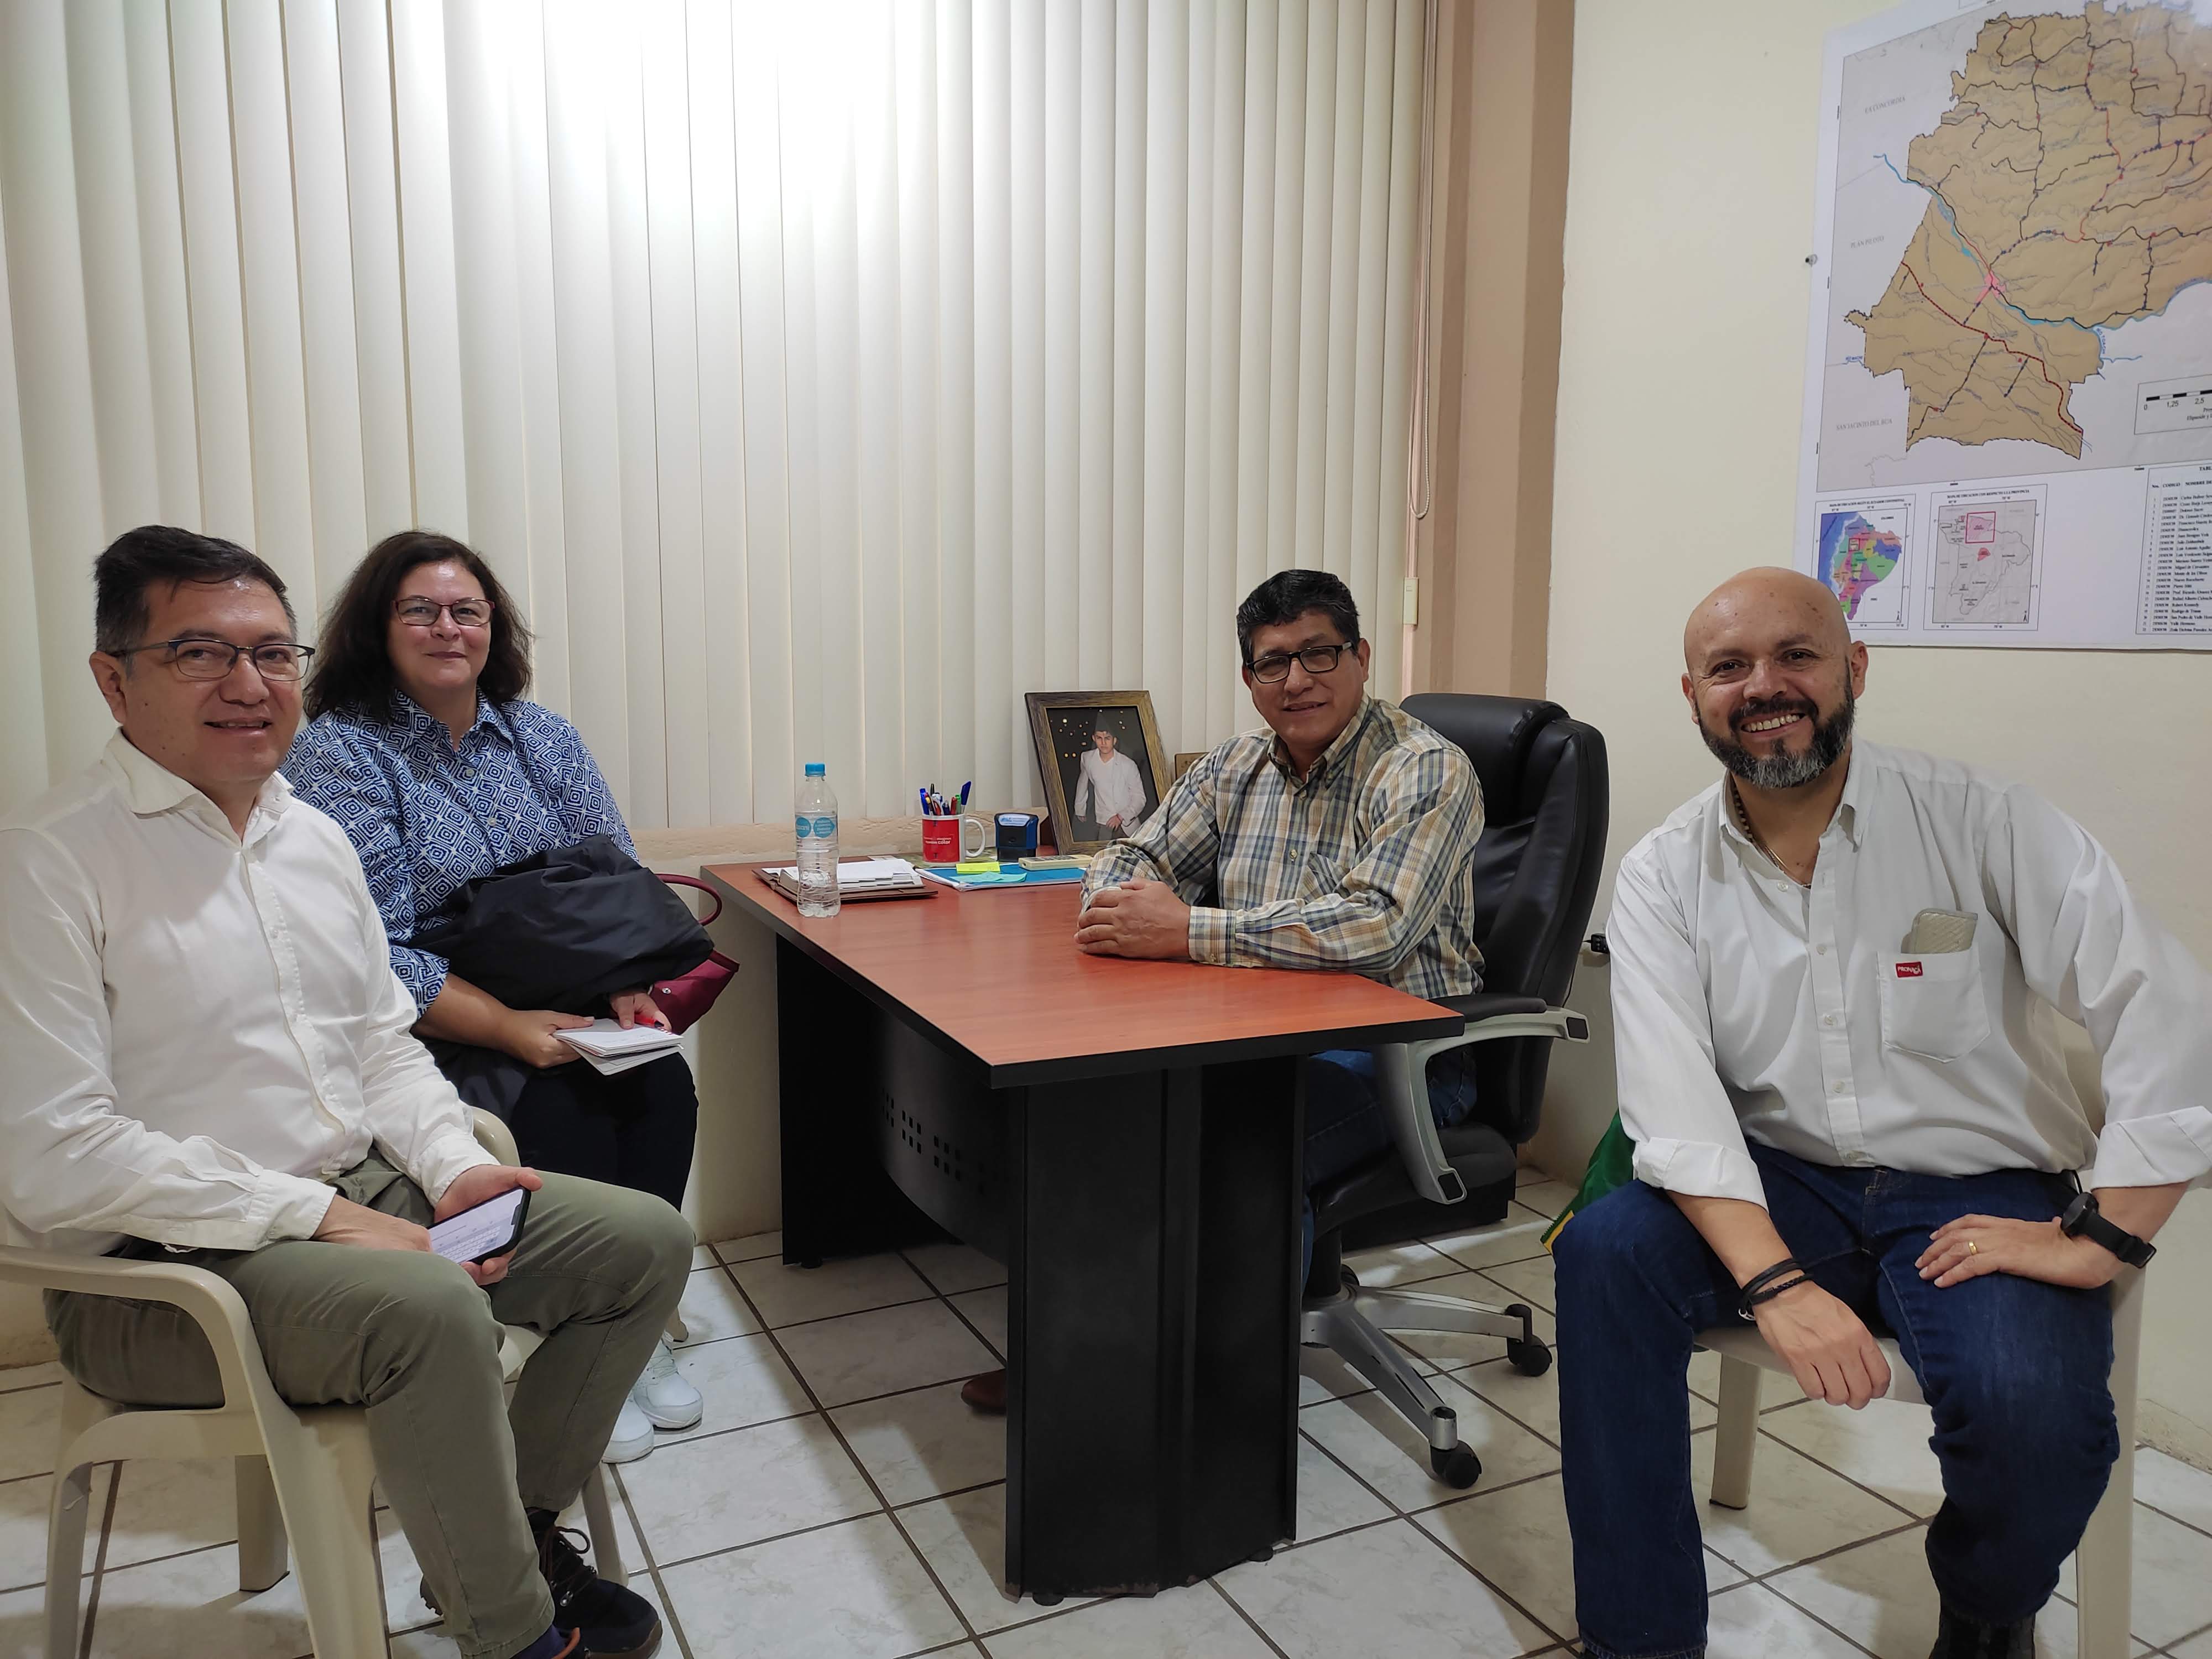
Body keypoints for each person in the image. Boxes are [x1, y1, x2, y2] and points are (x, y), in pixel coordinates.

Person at [0, 526, 689, 1659]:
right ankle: (514, 1635)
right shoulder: (49, 859)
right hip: (158, 1271)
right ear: (113, 681)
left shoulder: (308, 838)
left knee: (643, 1245)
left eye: (273, 653)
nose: (248, 685)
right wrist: (322, 1216)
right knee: (432, 1311)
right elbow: (51, 1156)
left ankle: (502, 1545)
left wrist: (453, 1166)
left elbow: (379, 1046)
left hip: (353, 1194)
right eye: (200, 654)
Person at [1552, 567, 2210, 1659]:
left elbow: (2165, 1007)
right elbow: (1673, 1101)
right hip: (1775, 1180)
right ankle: (1639, 1640)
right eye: (1728, 667)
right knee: (1605, 1253)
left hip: (1977, 1191)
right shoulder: (1664, 871)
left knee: (2035, 1421)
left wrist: (2102, 1236)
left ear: (1853, 668)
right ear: (1693, 695)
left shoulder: (1984, 821)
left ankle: (1985, 1608)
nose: (1764, 687)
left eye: (1795, 656)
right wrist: (1776, 1284)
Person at [959, 567, 1485, 1416]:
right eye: (1274, 662)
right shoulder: (1235, 766)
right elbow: (1131, 856)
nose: (1297, 680)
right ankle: (1083, 1362)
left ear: (1361, 656)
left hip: (1399, 1052)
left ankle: (1223, 1418)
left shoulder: (1424, 770)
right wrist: (1121, 902)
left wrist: (1188, 931)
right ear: (1249, 678)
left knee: (1239, 1145)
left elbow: (1377, 927)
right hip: (1253, 1034)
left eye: (1319, 654)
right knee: (1105, 1115)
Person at [281, 531, 702, 1464]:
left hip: (575, 999)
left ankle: (632, 1327)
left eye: (466, 611)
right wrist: (508, 1028)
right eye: (420, 611)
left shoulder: (539, 734)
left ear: (492, 628)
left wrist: (626, 988)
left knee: (662, 1090)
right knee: (555, 1115)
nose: (447, 628)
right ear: (378, 628)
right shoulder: (343, 753)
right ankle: (564, 1340)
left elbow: (613, 878)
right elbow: (372, 949)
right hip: (435, 1022)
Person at [1072, 721, 1148, 837]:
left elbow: (1140, 798)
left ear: (1115, 740)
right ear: (1094, 738)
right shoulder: (1087, 758)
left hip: (1126, 825)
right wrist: (1080, 808)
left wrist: (1121, 817)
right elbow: (1083, 782)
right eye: (1099, 738)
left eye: (1107, 738)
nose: (1103, 743)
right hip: (1103, 822)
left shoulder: (1128, 764)